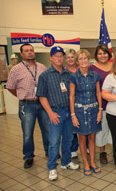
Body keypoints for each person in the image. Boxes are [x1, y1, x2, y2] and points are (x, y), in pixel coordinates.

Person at [37, 46, 79, 181]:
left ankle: (66, 162)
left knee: (68, 139)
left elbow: (73, 94)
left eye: (61, 56)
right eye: (56, 56)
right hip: (55, 112)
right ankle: (52, 168)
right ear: (51, 58)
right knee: (54, 142)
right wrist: (50, 113)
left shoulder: (68, 75)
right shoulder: (45, 75)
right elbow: (42, 97)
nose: (59, 58)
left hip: (68, 111)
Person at [6, 43, 49, 169]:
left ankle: (49, 150)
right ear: (21, 54)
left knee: (47, 129)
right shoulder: (16, 69)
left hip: (42, 103)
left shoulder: (42, 67)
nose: (30, 52)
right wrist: (21, 96)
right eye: (26, 51)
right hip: (27, 105)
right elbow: (10, 87)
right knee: (27, 133)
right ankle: (29, 156)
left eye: (31, 50)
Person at [70, 49, 102, 176]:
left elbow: (98, 93)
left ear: (89, 60)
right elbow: (71, 96)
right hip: (79, 111)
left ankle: (93, 162)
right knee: (82, 138)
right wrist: (73, 115)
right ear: (77, 62)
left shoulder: (95, 75)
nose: (83, 61)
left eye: (85, 58)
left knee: (92, 137)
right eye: (80, 59)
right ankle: (86, 163)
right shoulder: (73, 77)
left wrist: (100, 110)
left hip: (94, 109)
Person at [89, 45, 113, 165]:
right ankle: (102, 152)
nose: (102, 56)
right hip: (100, 105)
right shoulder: (91, 68)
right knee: (102, 129)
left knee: (115, 129)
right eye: (99, 53)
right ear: (96, 55)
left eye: (104, 53)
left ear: (109, 54)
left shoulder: (115, 66)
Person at [65, 48, 79, 159]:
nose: (70, 59)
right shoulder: (63, 72)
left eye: (72, 57)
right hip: (69, 102)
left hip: (82, 101)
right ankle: (74, 148)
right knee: (72, 126)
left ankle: (87, 146)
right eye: (68, 57)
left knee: (84, 124)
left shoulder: (82, 70)